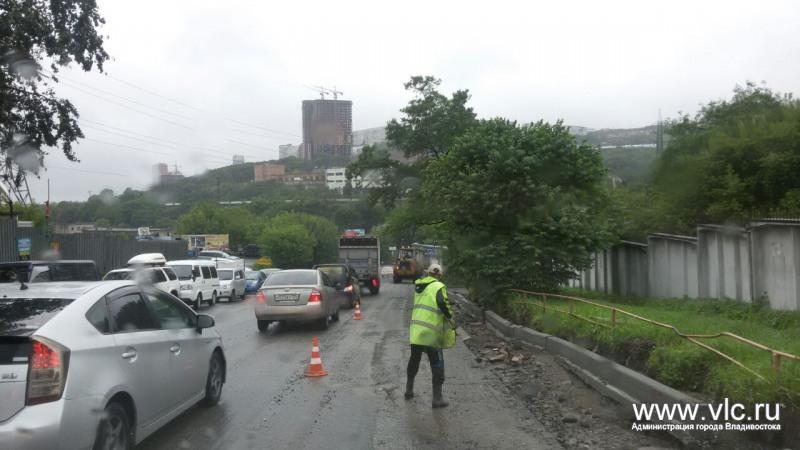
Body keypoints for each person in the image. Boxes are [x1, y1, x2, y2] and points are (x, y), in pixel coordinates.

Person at [405, 263, 456, 408]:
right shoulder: (439, 286)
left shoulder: (419, 286)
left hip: (416, 331)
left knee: (414, 359)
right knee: (437, 363)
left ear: (429, 273)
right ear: (439, 275)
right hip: (430, 332)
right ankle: (437, 398)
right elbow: (442, 303)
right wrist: (450, 317)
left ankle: (409, 389)